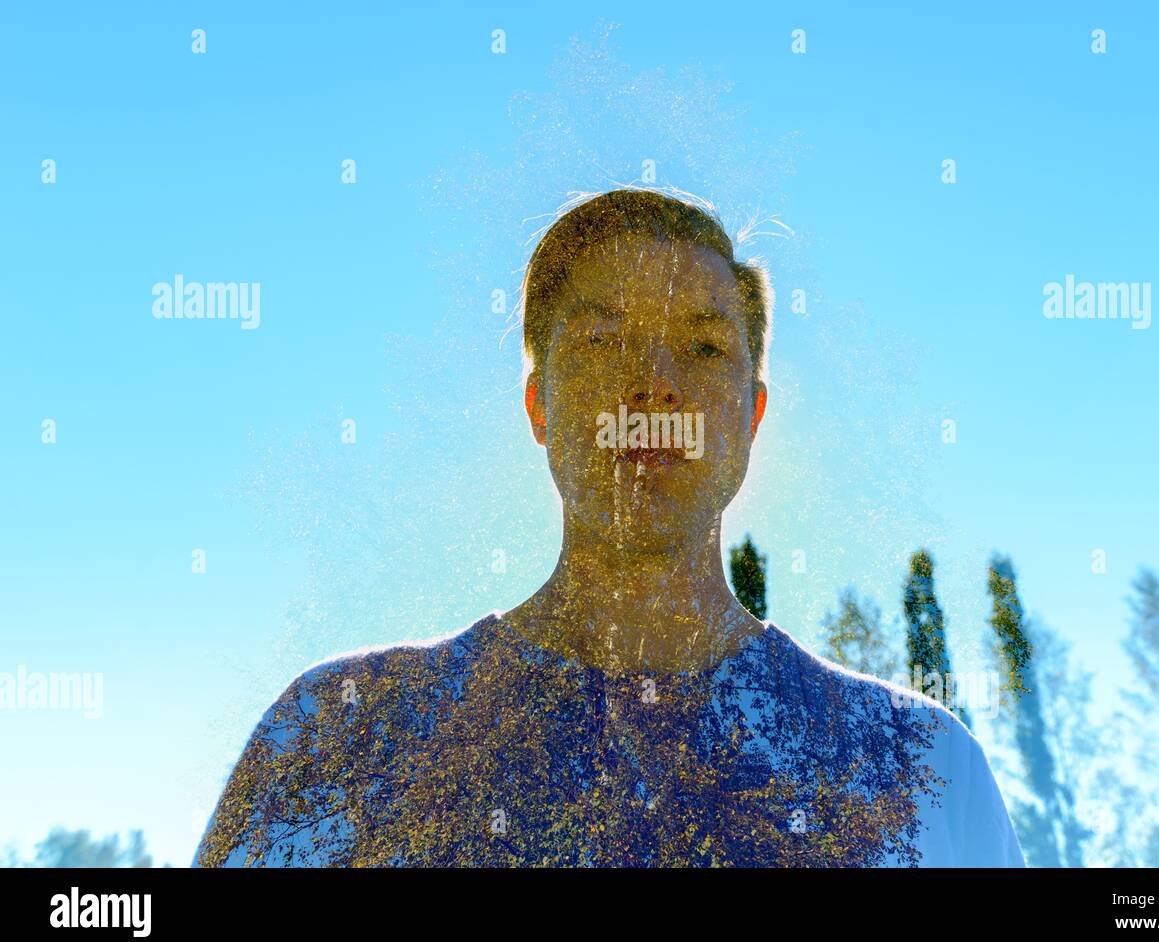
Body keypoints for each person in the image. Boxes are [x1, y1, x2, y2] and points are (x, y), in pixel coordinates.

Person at [193, 188, 1025, 867]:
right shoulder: (341, 737)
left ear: (751, 416)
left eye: (702, 349)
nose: (652, 385)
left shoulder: (921, 767)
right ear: (539, 406)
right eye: (601, 340)